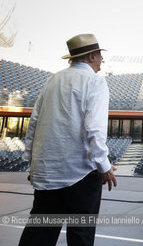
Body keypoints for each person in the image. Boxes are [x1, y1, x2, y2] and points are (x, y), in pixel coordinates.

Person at [19, 34, 117, 246]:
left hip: (47, 172)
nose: (102, 61)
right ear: (92, 55)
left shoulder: (52, 80)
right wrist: (104, 166)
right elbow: (94, 129)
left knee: (39, 235)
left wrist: (31, 161)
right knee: (80, 235)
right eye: (100, 56)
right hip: (80, 173)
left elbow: (34, 123)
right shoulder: (95, 82)